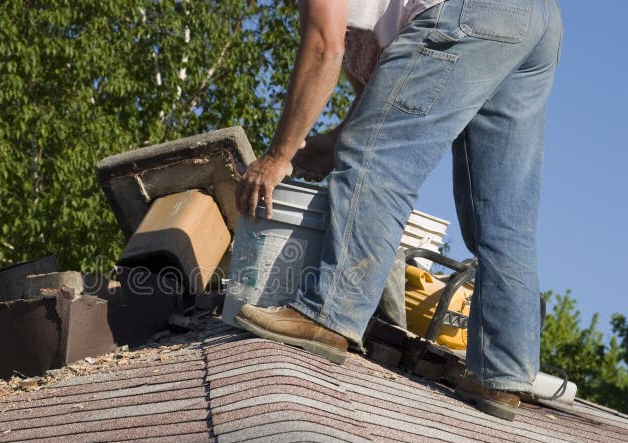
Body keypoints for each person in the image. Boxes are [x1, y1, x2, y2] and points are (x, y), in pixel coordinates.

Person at [234, 0, 563, 421]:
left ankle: (330, 314)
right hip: (536, 19)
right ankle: (501, 371)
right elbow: (382, 102)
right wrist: (328, 144)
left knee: (376, 161)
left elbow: (322, 47)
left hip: (469, 12)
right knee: (502, 212)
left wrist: (278, 155)